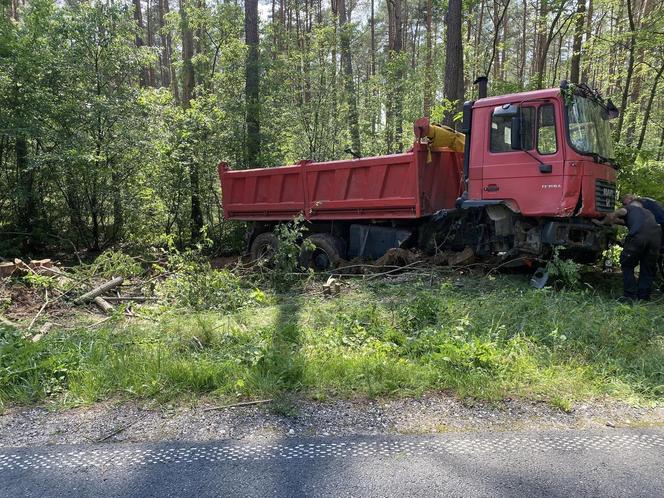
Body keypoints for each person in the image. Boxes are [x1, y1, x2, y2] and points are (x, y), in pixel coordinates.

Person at [595, 199, 662, 302]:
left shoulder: (629, 208)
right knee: (647, 268)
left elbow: (618, 214)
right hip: (656, 239)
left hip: (638, 237)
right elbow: (623, 221)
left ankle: (629, 296)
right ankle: (643, 297)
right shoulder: (648, 213)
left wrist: (602, 222)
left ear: (632, 205)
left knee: (627, 265)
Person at [622, 194, 664, 289]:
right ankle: (644, 295)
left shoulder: (641, 206)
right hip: (657, 234)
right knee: (650, 263)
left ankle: (630, 294)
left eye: (625, 203)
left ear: (632, 199)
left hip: (657, 233)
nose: (625, 206)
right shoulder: (648, 202)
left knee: (629, 263)